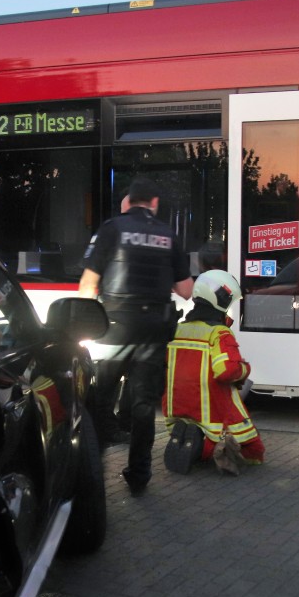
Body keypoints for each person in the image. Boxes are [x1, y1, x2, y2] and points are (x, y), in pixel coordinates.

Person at [80, 177, 194, 495]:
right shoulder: (168, 235)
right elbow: (186, 290)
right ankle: (140, 474)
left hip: (113, 329)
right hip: (154, 331)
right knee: (143, 404)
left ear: (128, 201)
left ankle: (93, 473)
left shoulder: (111, 229)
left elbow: (88, 286)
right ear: (155, 202)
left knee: (100, 399)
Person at [161, 269, 264, 475]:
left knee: (204, 427)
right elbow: (227, 371)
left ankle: (189, 439)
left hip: (177, 405)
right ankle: (206, 449)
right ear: (221, 301)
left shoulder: (178, 329)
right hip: (211, 409)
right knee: (254, 452)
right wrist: (245, 370)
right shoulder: (219, 333)